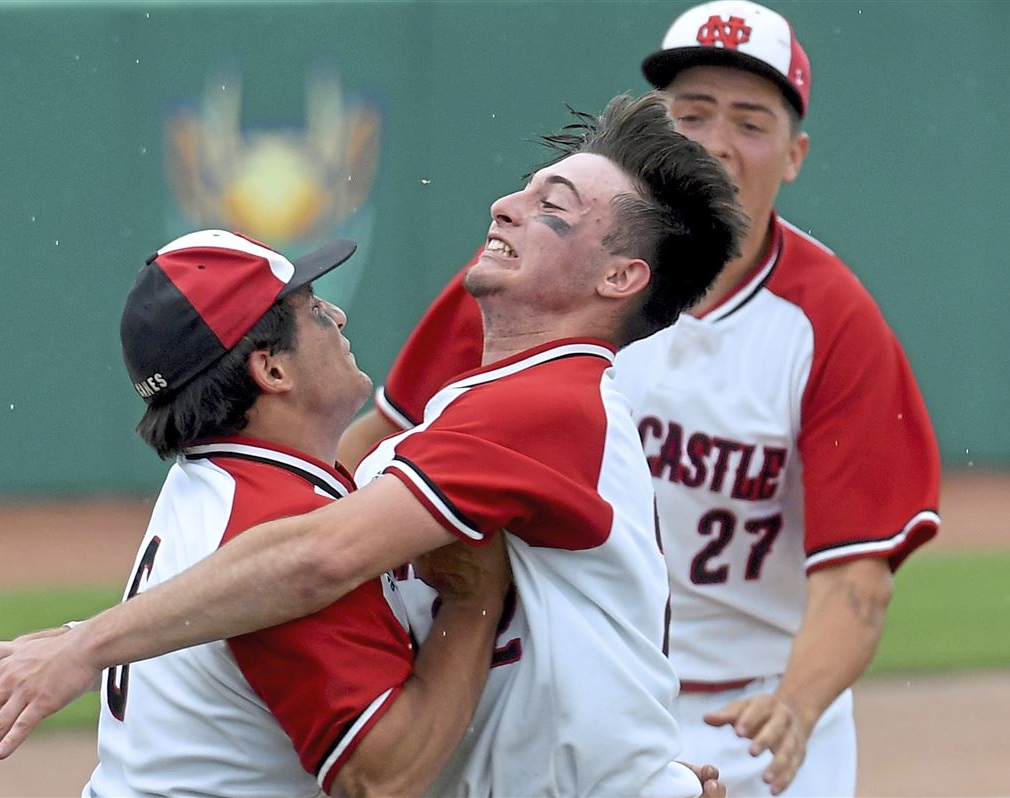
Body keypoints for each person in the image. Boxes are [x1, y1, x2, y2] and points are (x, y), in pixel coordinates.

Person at [0, 91, 744, 797]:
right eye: (311, 306)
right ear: (268, 367)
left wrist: (83, 642)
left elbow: (316, 558)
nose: (504, 205)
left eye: (552, 207)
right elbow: (315, 579)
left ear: (621, 279)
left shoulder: (539, 406)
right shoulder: (417, 443)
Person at [336, 2, 942, 795]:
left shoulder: (831, 323)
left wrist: (796, 707)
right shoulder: (540, 278)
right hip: (568, 693)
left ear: (794, 155)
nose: (717, 140)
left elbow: (855, 578)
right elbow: (373, 447)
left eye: (750, 121)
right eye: (692, 112)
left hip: (750, 714)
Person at [35, 229, 513, 797]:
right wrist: (473, 602)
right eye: (311, 310)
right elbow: (383, 776)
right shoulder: (279, 522)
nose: (335, 314)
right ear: (273, 371)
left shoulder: (217, 480)